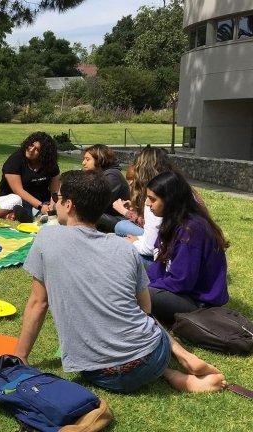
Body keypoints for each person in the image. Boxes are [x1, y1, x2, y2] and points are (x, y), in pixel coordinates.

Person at [15, 170, 226, 394]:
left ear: (69, 205)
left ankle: (178, 375)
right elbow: (145, 309)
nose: (54, 203)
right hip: (154, 354)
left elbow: (38, 303)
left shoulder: (46, 238)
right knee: (135, 317)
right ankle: (178, 369)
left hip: (101, 372)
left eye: (57, 198)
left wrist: (20, 356)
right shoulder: (125, 248)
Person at [145, 171, 229, 327]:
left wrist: (145, 287)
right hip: (181, 291)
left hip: (199, 303)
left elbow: (181, 281)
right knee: (133, 273)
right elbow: (160, 264)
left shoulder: (192, 230)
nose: (147, 204)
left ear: (169, 200)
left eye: (152, 199)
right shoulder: (172, 222)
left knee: (137, 294)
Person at [112, 146, 174, 262]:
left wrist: (134, 241)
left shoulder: (155, 194)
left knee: (121, 232)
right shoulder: (178, 186)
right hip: (170, 247)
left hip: (166, 259)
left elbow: (150, 248)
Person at [0, 132, 60, 222]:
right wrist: (40, 206)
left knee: (60, 206)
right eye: (30, 145)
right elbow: (18, 190)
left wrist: (52, 206)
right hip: (18, 197)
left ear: (44, 154)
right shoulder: (15, 160)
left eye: (37, 149)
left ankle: (41, 214)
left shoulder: (50, 164)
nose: (31, 150)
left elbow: (55, 191)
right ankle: (19, 214)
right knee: (22, 206)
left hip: (42, 198)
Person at [80, 144, 129, 232]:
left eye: (87, 159)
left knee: (85, 212)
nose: (83, 163)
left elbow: (97, 203)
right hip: (107, 217)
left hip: (120, 220)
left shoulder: (112, 176)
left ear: (99, 160)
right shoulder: (100, 175)